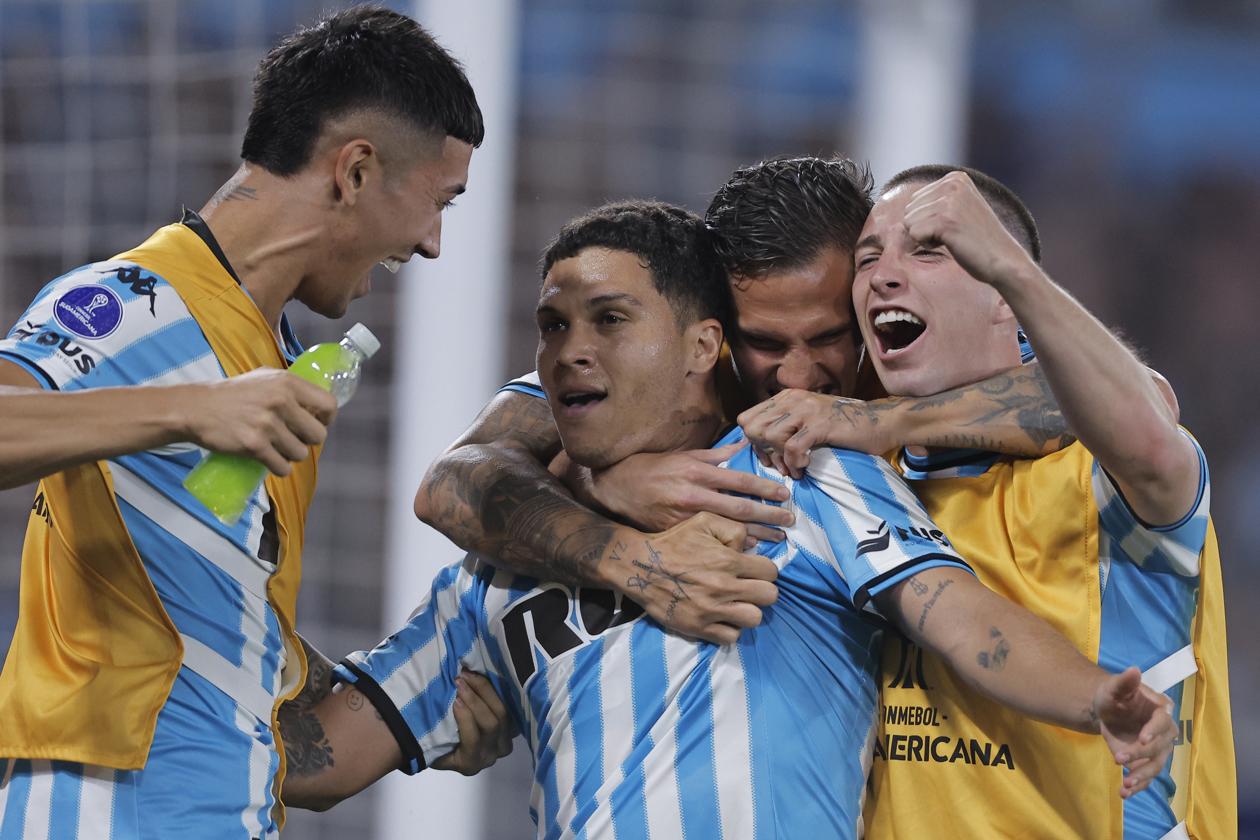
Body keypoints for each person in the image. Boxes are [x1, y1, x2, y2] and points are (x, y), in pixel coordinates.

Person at [278, 200, 1175, 838]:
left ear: (698, 345)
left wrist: (1099, 694)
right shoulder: (507, 551)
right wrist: (221, 599)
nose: (570, 348)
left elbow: (961, 613)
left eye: (609, 319)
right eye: (550, 326)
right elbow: (315, 761)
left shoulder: (807, 471)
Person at [0, 7, 487, 838]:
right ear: (357, 171)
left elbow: (289, 750)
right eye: (439, 201)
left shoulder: (275, 361)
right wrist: (195, 408)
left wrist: (432, 708)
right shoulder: (139, 299)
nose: (435, 243)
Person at [739, 165, 1234, 839]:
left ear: (1003, 293)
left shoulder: (1097, 471)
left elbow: (1150, 418)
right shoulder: (847, 477)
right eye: (869, 257)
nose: (884, 273)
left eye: (930, 247)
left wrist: (1012, 271)